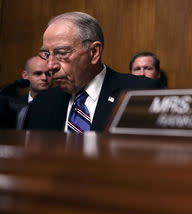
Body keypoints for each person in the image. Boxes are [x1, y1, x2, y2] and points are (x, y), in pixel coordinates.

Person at [25, 12, 162, 132]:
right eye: (47, 54)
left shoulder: (141, 94)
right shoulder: (42, 103)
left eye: (61, 53)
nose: (50, 66)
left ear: (94, 52)